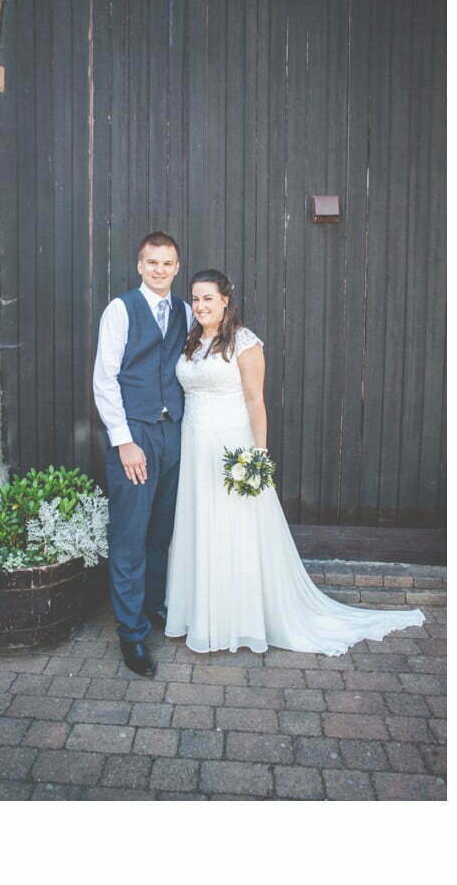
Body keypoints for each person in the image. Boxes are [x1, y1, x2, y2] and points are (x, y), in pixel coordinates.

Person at [163, 270, 424, 654]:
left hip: (231, 446)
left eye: (208, 298)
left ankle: (239, 619)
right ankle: (203, 615)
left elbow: (255, 401)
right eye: (196, 299)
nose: (200, 306)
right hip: (194, 444)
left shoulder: (244, 342)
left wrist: (258, 456)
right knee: (200, 524)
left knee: (236, 529)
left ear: (225, 301)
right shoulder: (191, 342)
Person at [92, 230, 190, 678]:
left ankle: (152, 610)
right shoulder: (121, 310)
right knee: (130, 536)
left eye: (167, 263)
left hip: (174, 435)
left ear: (176, 267)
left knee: (160, 532)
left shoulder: (186, 312)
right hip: (135, 437)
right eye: (152, 262)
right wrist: (123, 439)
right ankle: (130, 634)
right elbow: (104, 379)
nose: (160, 270)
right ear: (139, 265)